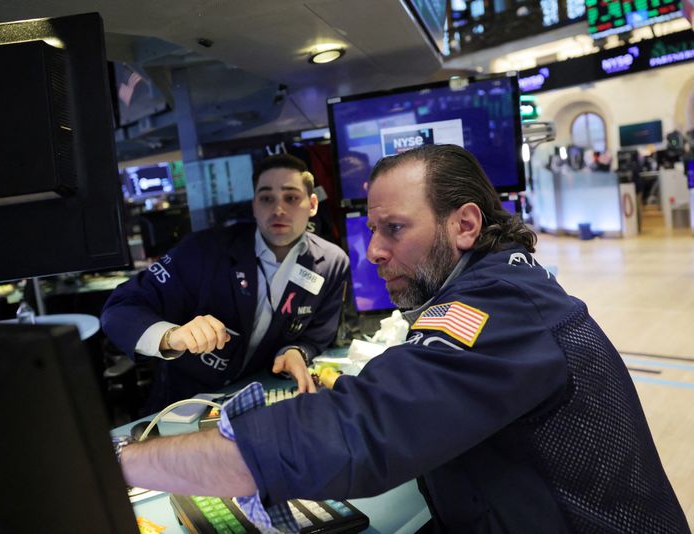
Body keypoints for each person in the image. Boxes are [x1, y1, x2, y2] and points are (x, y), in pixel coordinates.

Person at [117, 145, 688, 533]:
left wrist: (115, 465)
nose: (373, 252)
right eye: (372, 229)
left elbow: (359, 432)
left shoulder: (500, 310)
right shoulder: (502, 282)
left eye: (394, 229)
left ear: (464, 225)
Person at [101, 154, 350, 415]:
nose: (278, 209)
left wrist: (296, 351)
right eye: (266, 198)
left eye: (291, 198)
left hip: (258, 401)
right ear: (254, 205)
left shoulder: (331, 263)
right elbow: (119, 308)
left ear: (312, 205)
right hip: (183, 404)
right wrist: (171, 336)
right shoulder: (203, 250)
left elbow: (317, 335)